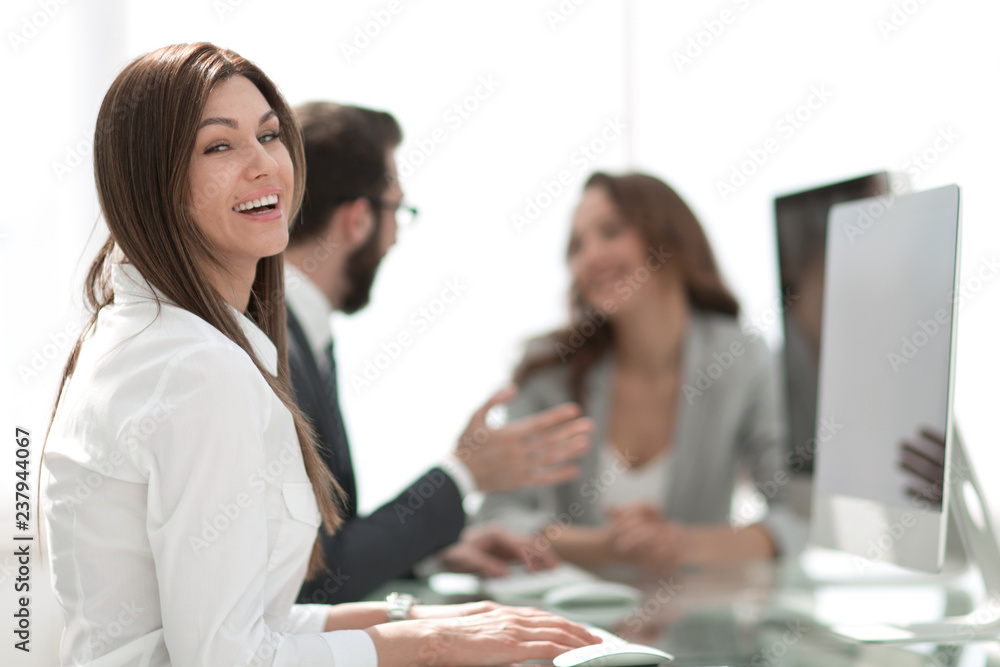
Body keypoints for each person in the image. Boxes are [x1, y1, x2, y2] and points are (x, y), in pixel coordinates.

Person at [40, 42, 598, 667]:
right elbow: (231, 658)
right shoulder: (195, 368)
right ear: (155, 182)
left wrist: (415, 617)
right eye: (219, 145)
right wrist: (430, 644)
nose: (265, 164)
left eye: (270, 135)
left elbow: (246, 620)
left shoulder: (154, 338)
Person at [285, 102, 594, 604]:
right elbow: (314, 577)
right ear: (359, 219)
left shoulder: (303, 333)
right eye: (396, 212)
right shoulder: (273, 346)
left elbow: (326, 548)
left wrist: (431, 550)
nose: (395, 238)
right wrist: (464, 472)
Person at [477, 171, 806, 573]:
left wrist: (682, 545)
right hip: (569, 620)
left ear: (669, 241)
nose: (591, 257)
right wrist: (606, 547)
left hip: (695, 620)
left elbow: (795, 518)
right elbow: (499, 516)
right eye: (577, 246)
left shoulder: (743, 359)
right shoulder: (549, 369)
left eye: (611, 231)